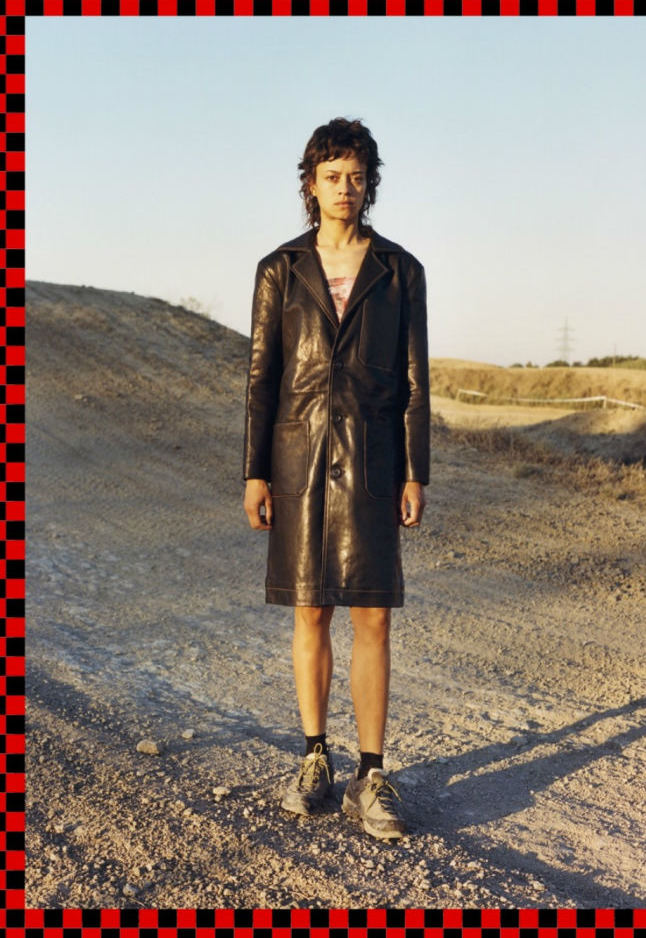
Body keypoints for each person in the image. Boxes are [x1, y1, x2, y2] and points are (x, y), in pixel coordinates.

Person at [242, 118, 430, 840]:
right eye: (331, 176)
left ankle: (371, 774)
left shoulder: (400, 270)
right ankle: (314, 756)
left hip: (375, 461)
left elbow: (414, 382)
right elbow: (262, 380)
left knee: (373, 616)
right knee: (309, 609)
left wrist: (415, 472)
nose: (344, 188)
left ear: (369, 184)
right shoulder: (279, 269)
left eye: (356, 176)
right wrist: (256, 472)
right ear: (311, 184)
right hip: (298, 460)